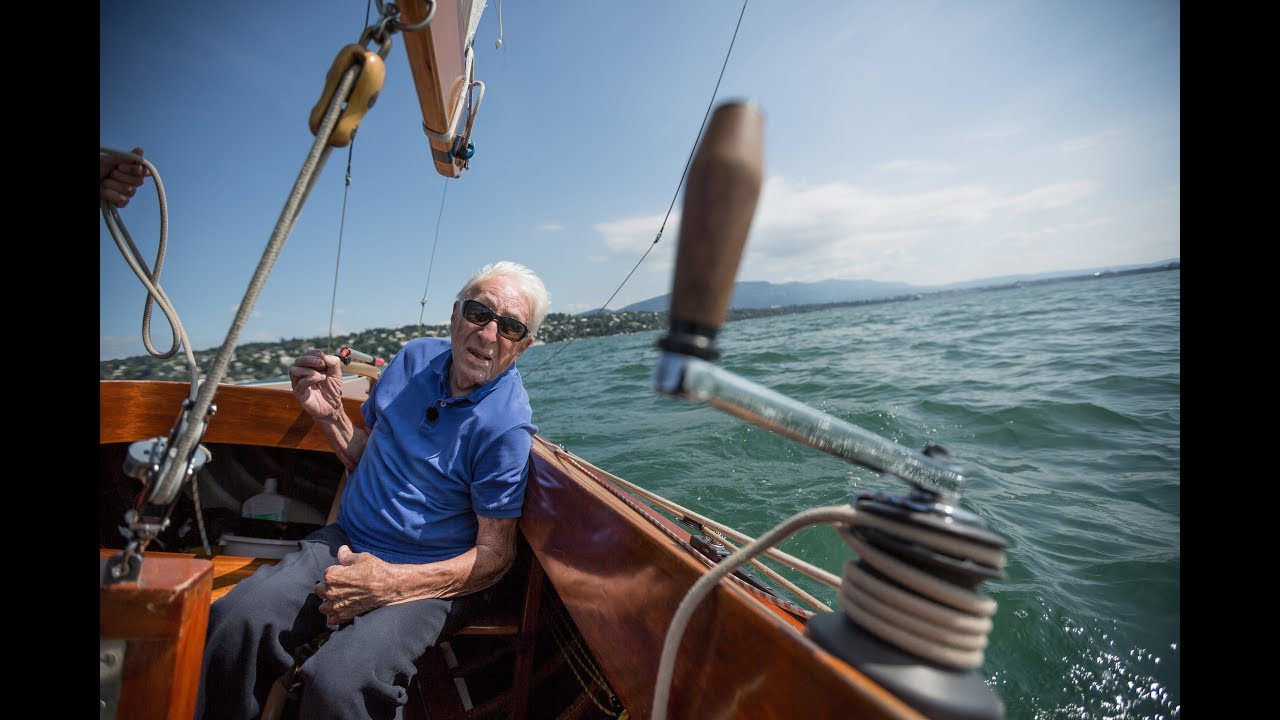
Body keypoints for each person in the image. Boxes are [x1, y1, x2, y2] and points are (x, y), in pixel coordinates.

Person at [196, 260, 551, 720]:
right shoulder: (413, 359)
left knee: (338, 683)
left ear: (522, 346)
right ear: (455, 315)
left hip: (432, 580)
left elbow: (496, 557)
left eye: (509, 327)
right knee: (236, 621)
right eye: (479, 313)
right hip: (346, 542)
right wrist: (329, 416)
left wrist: (388, 584)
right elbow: (363, 456)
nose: (487, 334)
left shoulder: (505, 427)